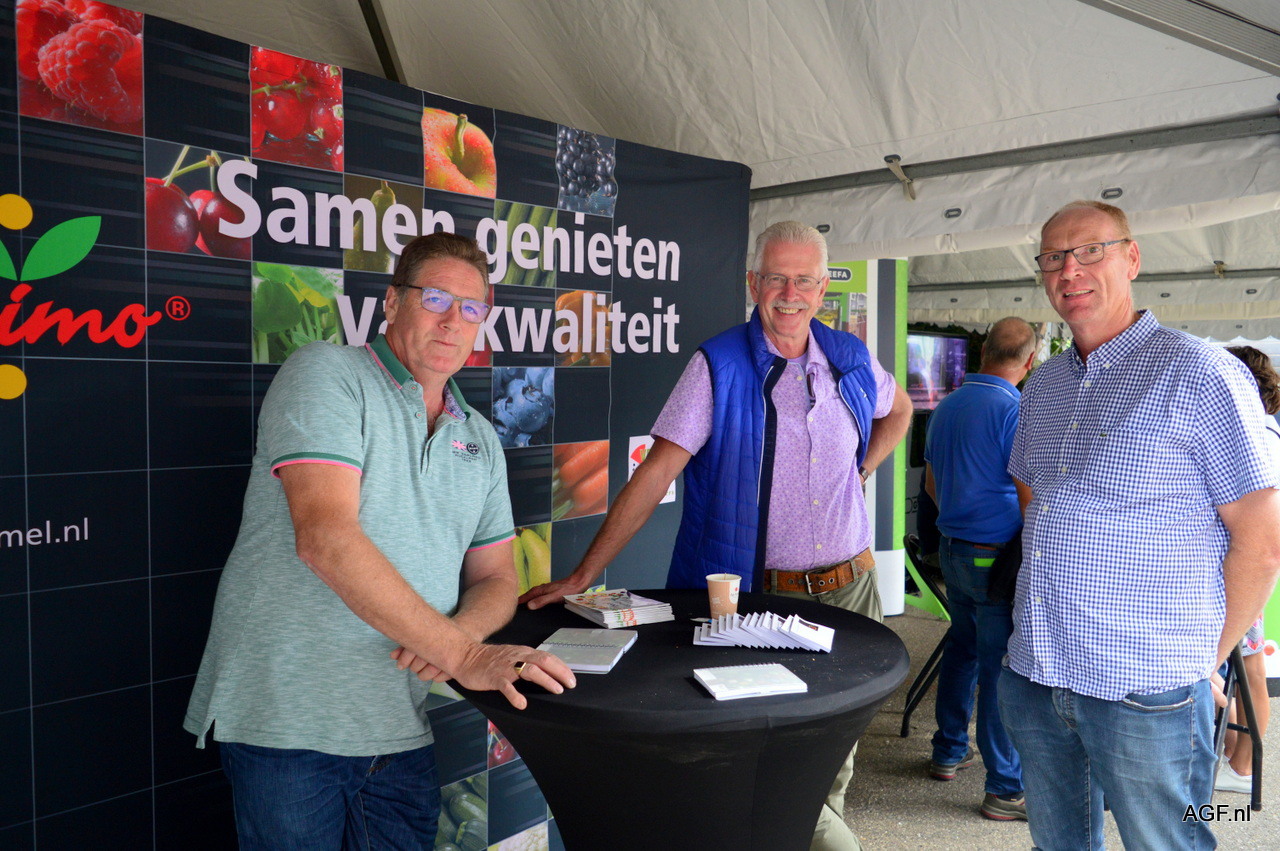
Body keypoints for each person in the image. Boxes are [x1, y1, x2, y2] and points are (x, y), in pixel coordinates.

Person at [522, 220, 913, 851]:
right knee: (768, 767)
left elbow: (899, 409)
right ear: (753, 283)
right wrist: (583, 574)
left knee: (835, 752)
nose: (790, 293)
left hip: (851, 591)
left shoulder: (849, 357)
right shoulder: (717, 365)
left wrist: (862, 467)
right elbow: (655, 474)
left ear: (823, 288)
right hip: (761, 605)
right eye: (777, 278)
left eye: (805, 280)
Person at [184, 232, 576, 849]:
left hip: (398, 724)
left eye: (471, 307)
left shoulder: (479, 436)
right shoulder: (326, 373)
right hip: (289, 721)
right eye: (435, 298)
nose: (452, 321)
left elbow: (498, 578)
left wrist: (460, 636)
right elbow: (325, 539)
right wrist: (464, 657)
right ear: (392, 302)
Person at [998, 200, 1280, 849]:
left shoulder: (1201, 372)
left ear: (1132, 258)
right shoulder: (1043, 386)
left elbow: (1262, 544)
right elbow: (1035, 502)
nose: (1069, 269)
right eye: (1053, 257)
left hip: (1146, 687)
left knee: (1168, 842)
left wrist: (1201, 660)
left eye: (1089, 251)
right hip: (1037, 673)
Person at [923, 317, 1036, 820]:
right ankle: (1006, 789)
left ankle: (948, 751)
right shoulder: (1015, 410)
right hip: (995, 556)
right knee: (998, 669)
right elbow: (1028, 494)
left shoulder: (947, 406)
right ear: (1029, 361)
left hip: (952, 549)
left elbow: (930, 485)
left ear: (984, 351)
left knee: (962, 650)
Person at [1216, 345, 1280, 793]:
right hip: (1246, 566)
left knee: (1249, 669)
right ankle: (1237, 759)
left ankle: (1242, 767)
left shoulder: (1258, 434)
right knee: (1246, 668)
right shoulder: (1263, 429)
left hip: (1245, 568)